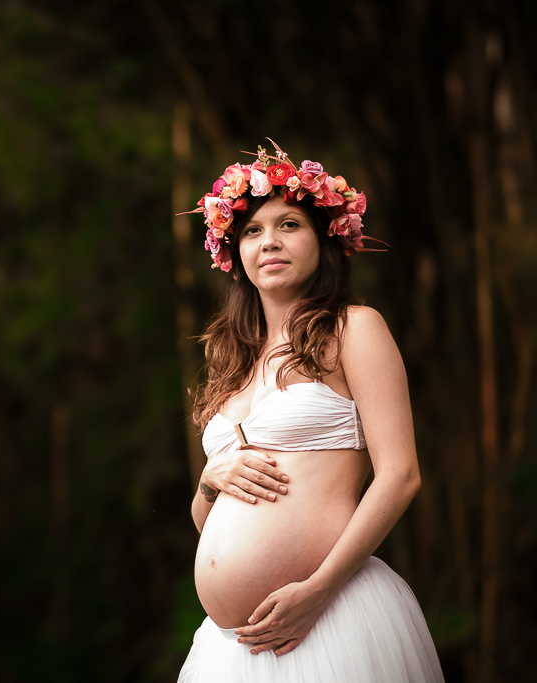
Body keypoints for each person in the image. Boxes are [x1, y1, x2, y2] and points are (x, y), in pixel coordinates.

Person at [175, 140, 445, 682]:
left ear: (323, 239)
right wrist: (210, 481)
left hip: (328, 615)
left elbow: (401, 475)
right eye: (252, 230)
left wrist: (319, 589)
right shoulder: (231, 359)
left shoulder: (354, 329)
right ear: (235, 255)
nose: (269, 241)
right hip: (233, 647)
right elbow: (207, 522)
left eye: (289, 224)